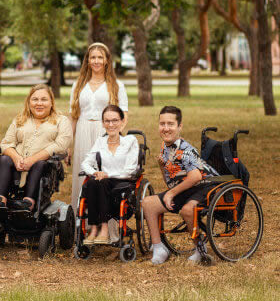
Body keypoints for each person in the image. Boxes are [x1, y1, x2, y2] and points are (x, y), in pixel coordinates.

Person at [141, 106, 218, 264]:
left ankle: (199, 248)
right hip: (188, 187)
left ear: (179, 126)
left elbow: (195, 176)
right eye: (162, 124)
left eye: (171, 124)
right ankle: (159, 248)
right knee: (148, 203)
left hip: (207, 186)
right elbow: (171, 182)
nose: (166, 128)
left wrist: (171, 194)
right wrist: (163, 167)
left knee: (187, 210)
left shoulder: (186, 150)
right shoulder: (165, 148)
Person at [69, 42, 129, 213]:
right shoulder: (79, 85)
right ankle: (82, 222)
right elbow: (73, 115)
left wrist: (115, 135)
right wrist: (68, 145)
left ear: (106, 60)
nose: (96, 61)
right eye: (92, 57)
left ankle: (105, 222)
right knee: (84, 175)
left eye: (100, 57)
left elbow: (124, 114)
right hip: (82, 131)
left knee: (104, 175)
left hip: (106, 132)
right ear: (87, 60)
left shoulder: (116, 85)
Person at [0, 84, 72, 211]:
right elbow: (6, 143)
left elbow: (61, 145)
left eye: (44, 99)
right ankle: (0, 200)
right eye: (35, 99)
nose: (39, 103)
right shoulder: (20, 119)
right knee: (4, 159)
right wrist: (16, 157)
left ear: (51, 102)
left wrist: (33, 160)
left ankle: (28, 202)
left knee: (40, 164)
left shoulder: (61, 121)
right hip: (16, 166)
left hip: (43, 167)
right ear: (29, 102)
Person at [79, 105, 139, 245]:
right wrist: (95, 172)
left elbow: (130, 170)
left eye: (115, 120)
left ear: (122, 121)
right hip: (102, 183)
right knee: (93, 181)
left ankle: (104, 229)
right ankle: (94, 229)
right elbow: (86, 163)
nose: (110, 124)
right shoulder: (100, 142)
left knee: (100, 182)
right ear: (103, 123)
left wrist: (107, 174)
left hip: (123, 183)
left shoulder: (130, 141)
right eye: (107, 121)